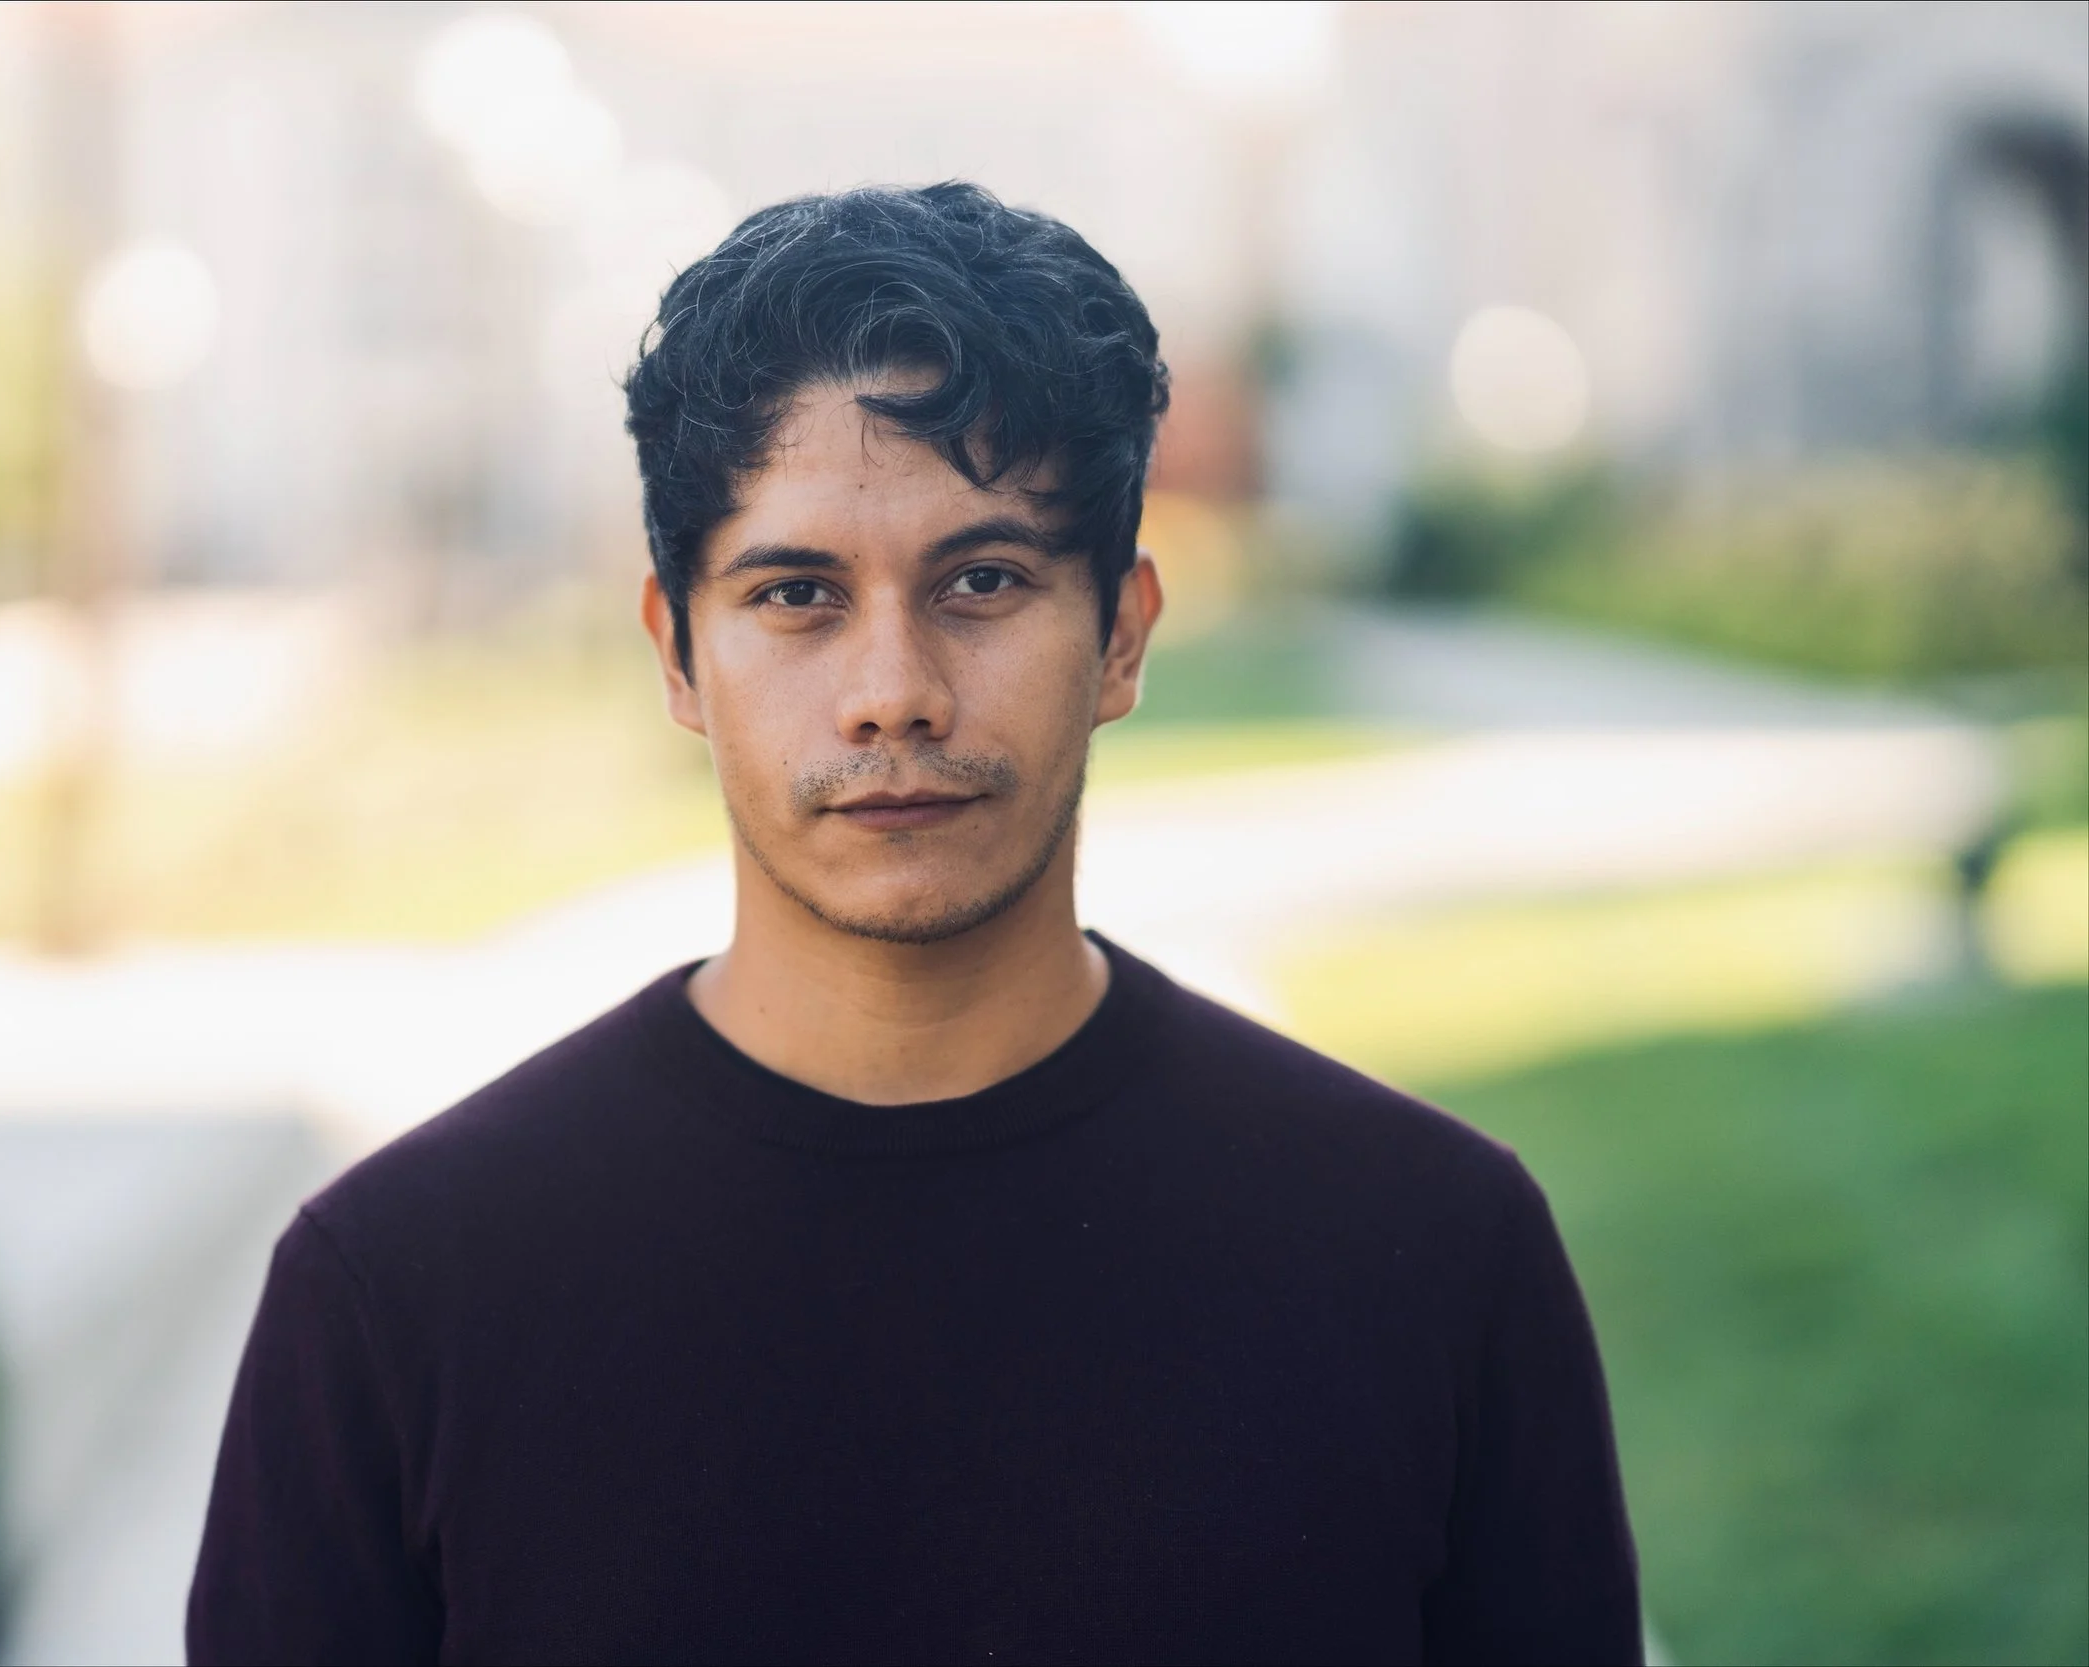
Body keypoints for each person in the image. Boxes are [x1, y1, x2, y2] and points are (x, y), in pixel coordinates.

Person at [187, 182, 1642, 1666]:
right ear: (679, 653)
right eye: (799, 592)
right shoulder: (398, 1296)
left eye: (984, 580)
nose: (895, 686)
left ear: (1124, 632)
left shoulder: (1432, 1255)